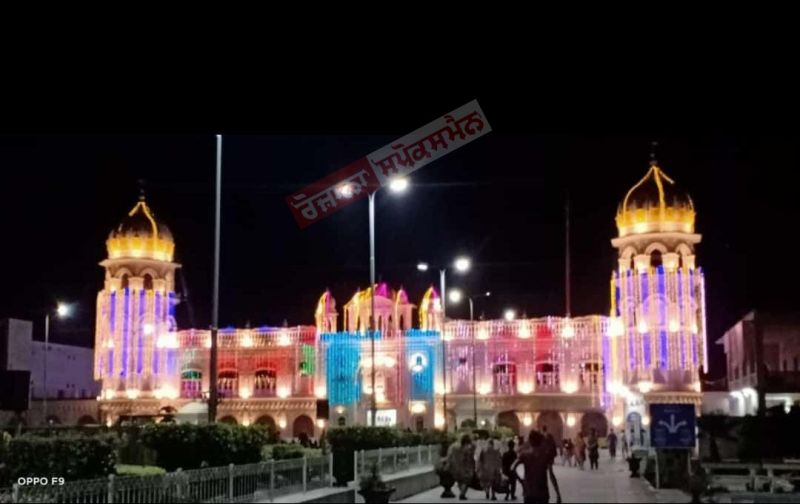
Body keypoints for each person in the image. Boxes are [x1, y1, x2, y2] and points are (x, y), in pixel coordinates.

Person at [513, 431, 561, 504]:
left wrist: (522, 481)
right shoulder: (546, 456)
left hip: (529, 491)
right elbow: (551, 475)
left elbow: (512, 468)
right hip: (542, 492)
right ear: (541, 441)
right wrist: (558, 494)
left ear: (530, 441)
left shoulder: (524, 455)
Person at [449, 434, 477, 500]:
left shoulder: (455, 447)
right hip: (466, 466)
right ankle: (462, 493)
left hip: (456, 466)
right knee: (466, 481)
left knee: (460, 481)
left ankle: (462, 492)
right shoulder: (468, 448)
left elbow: (451, 455)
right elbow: (470, 457)